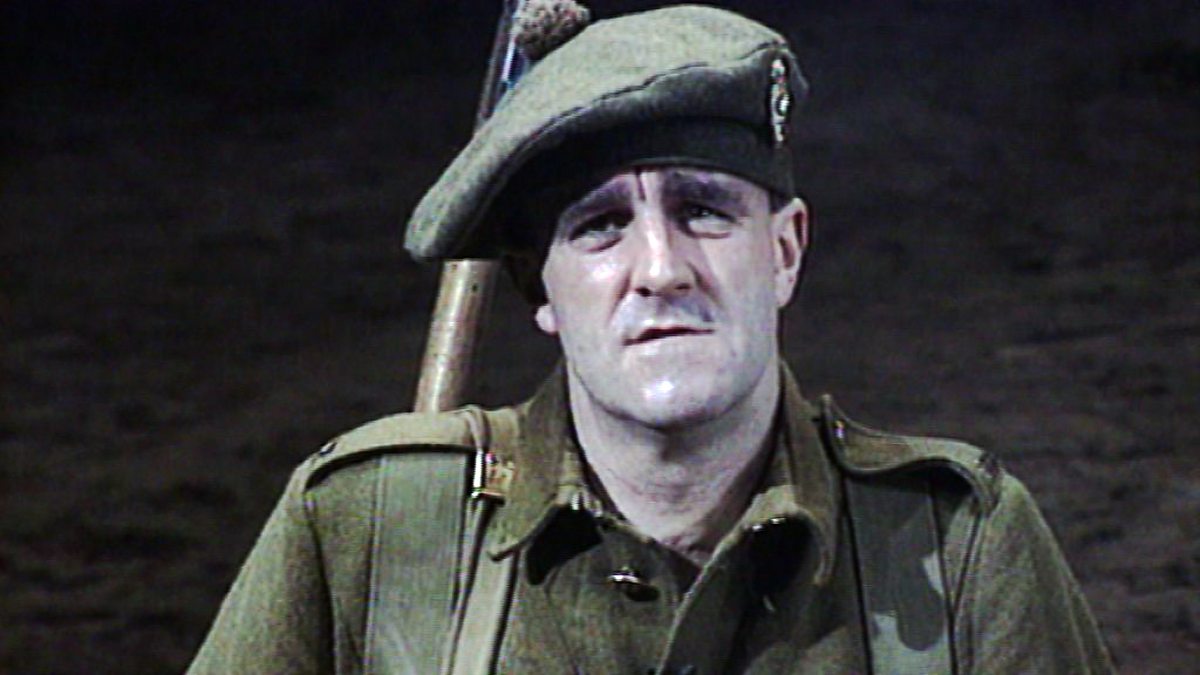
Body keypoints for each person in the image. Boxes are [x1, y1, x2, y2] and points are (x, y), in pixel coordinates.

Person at [188, 4, 1114, 673]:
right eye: (600, 226)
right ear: (537, 286)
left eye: (704, 209)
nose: (661, 268)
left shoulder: (957, 544)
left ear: (783, 251)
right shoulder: (372, 528)